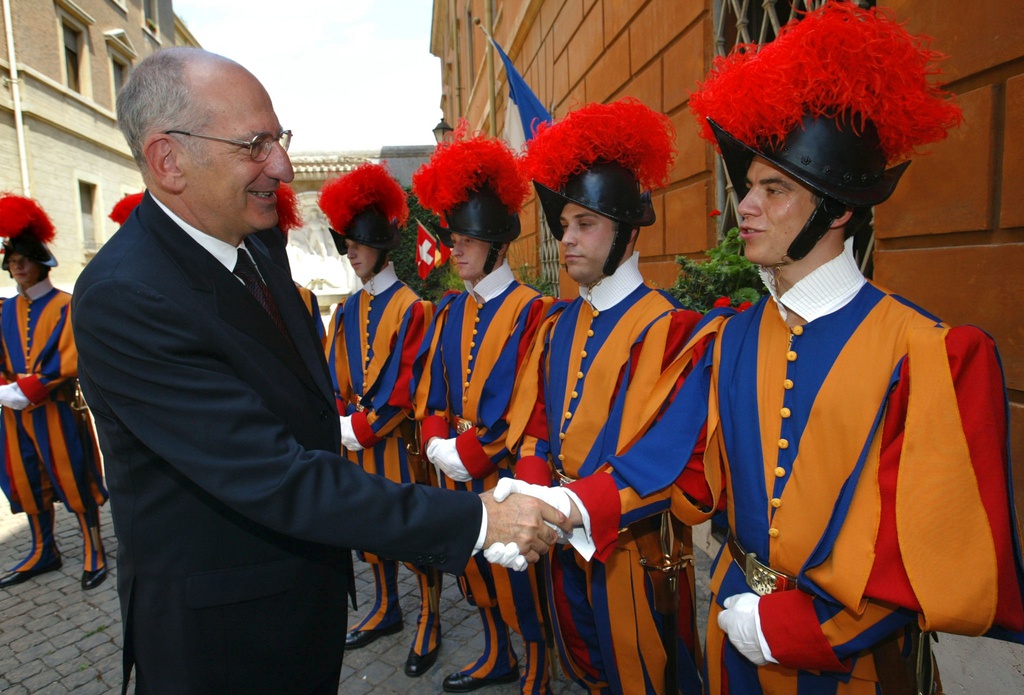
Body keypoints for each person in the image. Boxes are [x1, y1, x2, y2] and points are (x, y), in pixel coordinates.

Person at [70, 46, 568, 695]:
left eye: (280, 139)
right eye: (255, 144)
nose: (280, 165)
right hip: (223, 644)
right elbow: (274, 475)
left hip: (299, 603)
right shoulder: (126, 295)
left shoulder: (255, 242)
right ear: (168, 160)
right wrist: (481, 520)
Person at [642, 4, 1024, 693]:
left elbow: (930, 549)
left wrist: (787, 630)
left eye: (774, 189)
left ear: (838, 209)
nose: (745, 207)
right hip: (731, 636)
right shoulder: (729, 337)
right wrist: (566, 508)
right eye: (748, 186)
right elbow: (686, 472)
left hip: (851, 668)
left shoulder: (929, 353)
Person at [502, 98, 705, 694]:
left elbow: (668, 459)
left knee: (646, 677)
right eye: (563, 225)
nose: (567, 239)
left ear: (626, 231)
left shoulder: (674, 330)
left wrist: (565, 507)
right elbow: (540, 421)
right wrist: (535, 486)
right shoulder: (558, 324)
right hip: (563, 545)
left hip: (636, 554)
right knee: (586, 668)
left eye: (584, 224)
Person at [410, 124, 558, 694]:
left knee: (520, 574)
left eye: (468, 239)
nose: (456, 248)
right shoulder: (448, 311)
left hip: (508, 475)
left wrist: (469, 452)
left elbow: (530, 405)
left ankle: (538, 667)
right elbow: (431, 390)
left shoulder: (536, 312)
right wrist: (435, 443)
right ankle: (497, 653)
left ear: (498, 243)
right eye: (455, 237)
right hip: (456, 468)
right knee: (473, 570)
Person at [317, 162, 441, 678]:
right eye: (347, 242)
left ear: (381, 246)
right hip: (355, 443)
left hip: (397, 445)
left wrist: (358, 427)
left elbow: (405, 382)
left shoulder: (413, 307)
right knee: (368, 531)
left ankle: (430, 618)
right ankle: (387, 607)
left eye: (358, 243)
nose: (350, 251)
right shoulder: (345, 310)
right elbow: (331, 374)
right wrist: (338, 417)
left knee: (414, 533)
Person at [0, 194, 109, 592]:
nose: (18, 267)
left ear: (41, 261)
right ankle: (43, 549)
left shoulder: (66, 305)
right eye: (12, 261)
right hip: (13, 415)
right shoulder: (3, 310)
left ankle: (93, 549)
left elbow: (68, 356)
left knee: (75, 478)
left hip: (57, 409)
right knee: (25, 480)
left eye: (24, 260)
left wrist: (29, 388)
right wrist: (6, 390)